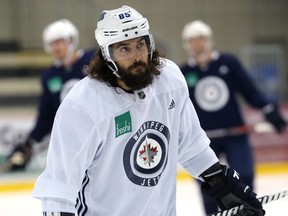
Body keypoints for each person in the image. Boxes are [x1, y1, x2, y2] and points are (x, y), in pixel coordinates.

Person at [32, 6, 265, 216]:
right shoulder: (82, 105)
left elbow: (191, 143)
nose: (136, 56)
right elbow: (58, 186)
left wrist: (219, 182)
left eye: (140, 44)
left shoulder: (170, 79)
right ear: (107, 55)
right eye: (124, 48)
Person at [180, 20, 286, 215]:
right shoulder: (184, 73)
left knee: (244, 177)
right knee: (210, 185)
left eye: (200, 39)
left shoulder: (228, 63)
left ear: (209, 40)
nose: (196, 44)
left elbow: (249, 90)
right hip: (205, 139)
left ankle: (248, 212)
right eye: (192, 40)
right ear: (186, 44)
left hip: (234, 133)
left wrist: (267, 108)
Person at [3, 19, 96, 171]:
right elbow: (46, 117)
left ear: (72, 40)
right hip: (75, 140)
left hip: (101, 128)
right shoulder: (50, 76)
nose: (55, 47)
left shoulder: (93, 60)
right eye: (52, 43)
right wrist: (28, 145)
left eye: (59, 41)